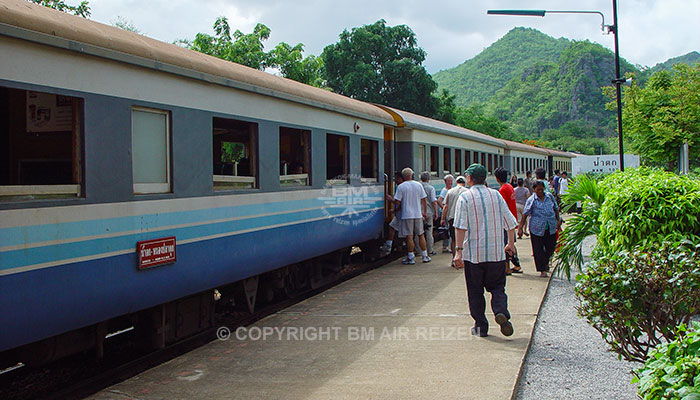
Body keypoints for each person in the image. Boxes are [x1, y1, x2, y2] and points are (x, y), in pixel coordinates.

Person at [453, 164, 518, 338]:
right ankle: (500, 311)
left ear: (469, 178)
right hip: (496, 254)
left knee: (475, 292)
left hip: (474, 255)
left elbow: (460, 227)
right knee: (498, 288)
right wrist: (510, 244)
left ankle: (481, 326)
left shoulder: (465, 198)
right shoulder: (496, 195)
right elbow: (510, 222)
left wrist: (458, 252)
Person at [519, 180, 560, 278]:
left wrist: (558, 220)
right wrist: (520, 227)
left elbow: (556, 208)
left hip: (550, 227)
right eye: (538, 190)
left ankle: (545, 262)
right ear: (534, 190)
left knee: (551, 247)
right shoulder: (531, 200)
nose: (540, 191)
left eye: (542, 189)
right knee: (538, 250)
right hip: (536, 228)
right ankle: (542, 269)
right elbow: (525, 214)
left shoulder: (549, 197)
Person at [394, 168, 431, 264]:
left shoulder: (401, 187)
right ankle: (425, 256)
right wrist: (424, 212)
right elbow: (424, 200)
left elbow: (398, 201)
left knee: (409, 236)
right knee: (421, 234)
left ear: (403, 176)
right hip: (418, 213)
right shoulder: (418, 185)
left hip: (406, 214)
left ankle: (411, 257)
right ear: (412, 175)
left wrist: (394, 208)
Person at [495, 167, 521, 274]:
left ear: (497, 178)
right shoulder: (510, 187)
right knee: (511, 244)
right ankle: (516, 265)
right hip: (512, 219)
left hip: (505, 222)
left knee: (506, 245)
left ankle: (507, 268)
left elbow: (502, 207)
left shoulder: (502, 190)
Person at [441, 175, 468, 265]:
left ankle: (454, 259)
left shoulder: (450, 191)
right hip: (464, 218)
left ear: (456, 182)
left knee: (453, 239)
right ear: (464, 183)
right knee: (463, 239)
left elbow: (445, 206)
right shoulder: (467, 192)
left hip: (452, 218)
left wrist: (442, 218)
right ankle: (463, 259)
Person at [380, 172, 405, 256]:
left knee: (406, 234)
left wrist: (391, 200)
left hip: (402, 214)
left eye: (397, 178)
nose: (395, 180)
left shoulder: (401, 187)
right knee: (392, 227)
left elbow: (399, 203)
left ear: (401, 178)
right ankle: (389, 245)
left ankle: (409, 253)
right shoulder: (403, 187)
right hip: (400, 214)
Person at [418, 171, 439, 256]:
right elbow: (434, 201)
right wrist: (436, 212)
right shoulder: (431, 188)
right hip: (429, 212)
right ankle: (430, 250)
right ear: (429, 179)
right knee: (429, 232)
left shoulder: (418, 187)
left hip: (419, 212)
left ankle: (418, 250)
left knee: (419, 232)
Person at [438, 174, 455, 253]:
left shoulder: (451, 189)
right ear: (445, 182)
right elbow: (439, 200)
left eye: (451, 181)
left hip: (448, 213)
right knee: (447, 230)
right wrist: (444, 208)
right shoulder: (445, 190)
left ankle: (446, 246)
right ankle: (445, 247)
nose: (450, 183)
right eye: (448, 181)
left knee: (449, 230)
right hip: (446, 214)